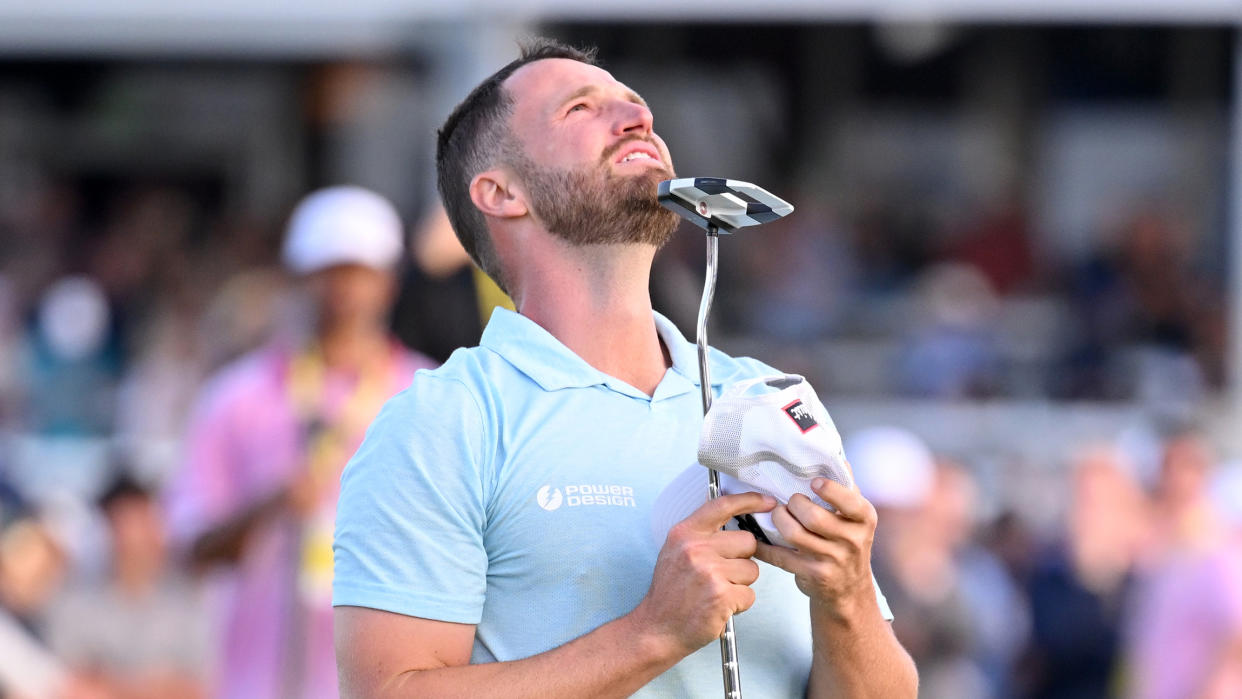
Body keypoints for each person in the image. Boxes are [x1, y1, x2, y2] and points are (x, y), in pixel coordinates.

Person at [333, 40, 917, 698]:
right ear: (501, 192)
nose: (638, 119)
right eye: (581, 108)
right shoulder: (442, 420)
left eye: (637, 107)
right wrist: (652, 633)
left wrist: (848, 598)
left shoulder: (764, 397)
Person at [165, 186, 437, 699]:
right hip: (259, 681)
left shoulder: (431, 396)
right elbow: (190, 549)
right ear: (296, 278)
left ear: (388, 281)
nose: (344, 289)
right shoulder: (235, 398)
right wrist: (268, 506)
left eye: (360, 271)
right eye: (327, 271)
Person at [46, 473, 210, 699]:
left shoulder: (187, 598)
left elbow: (198, 689)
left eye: (145, 519)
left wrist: (115, 685)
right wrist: (156, 685)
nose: (140, 534)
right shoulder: (76, 600)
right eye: (126, 522)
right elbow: (74, 688)